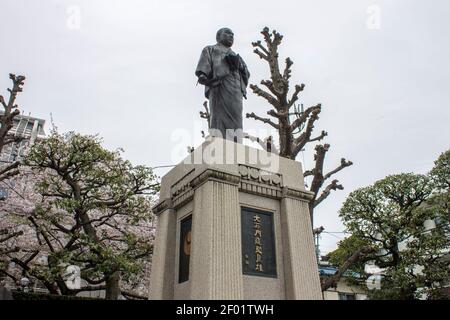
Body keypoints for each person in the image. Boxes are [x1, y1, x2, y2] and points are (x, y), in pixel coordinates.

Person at [195, 28, 250, 142]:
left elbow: (246, 73)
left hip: (236, 90)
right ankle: (218, 139)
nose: (231, 36)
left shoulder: (235, 55)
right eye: (227, 33)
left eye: (232, 35)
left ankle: (236, 141)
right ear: (218, 36)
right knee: (219, 115)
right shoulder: (210, 49)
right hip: (219, 86)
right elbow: (204, 65)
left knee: (237, 116)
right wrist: (203, 75)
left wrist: (238, 65)